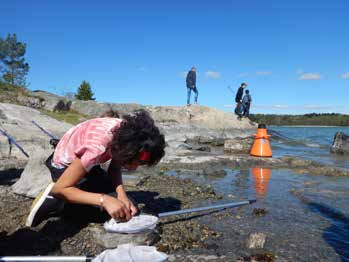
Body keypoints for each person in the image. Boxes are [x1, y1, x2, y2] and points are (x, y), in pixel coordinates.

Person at [26, 109, 166, 227]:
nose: (135, 168)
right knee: (103, 213)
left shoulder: (126, 133)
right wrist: (104, 200)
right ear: (129, 151)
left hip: (86, 164)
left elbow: (114, 168)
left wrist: (121, 195)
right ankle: (54, 201)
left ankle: (74, 195)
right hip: (64, 165)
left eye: (141, 164)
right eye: (137, 162)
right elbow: (60, 189)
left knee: (125, 208)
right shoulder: (97, 148)